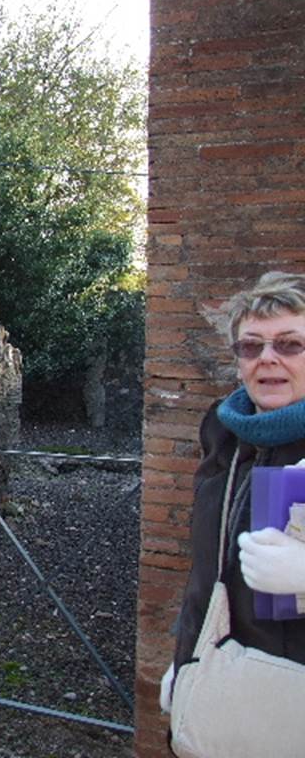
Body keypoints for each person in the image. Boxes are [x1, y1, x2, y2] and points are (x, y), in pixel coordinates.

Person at [160, 271, 305, 715]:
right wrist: (184, 657)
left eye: (290, 344)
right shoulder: (223, 437)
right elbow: (207, 570)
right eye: (251, 345)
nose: (267, 358)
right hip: (223, 687)